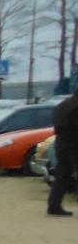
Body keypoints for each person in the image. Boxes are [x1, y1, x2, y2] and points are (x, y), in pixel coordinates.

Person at [46, 86, 78, 216]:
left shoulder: (63, 104)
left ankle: (54, 206)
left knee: (62, 175)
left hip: (60, 142)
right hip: (74, 143)